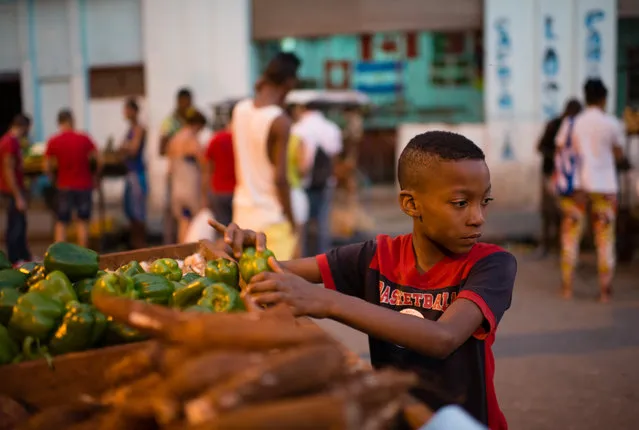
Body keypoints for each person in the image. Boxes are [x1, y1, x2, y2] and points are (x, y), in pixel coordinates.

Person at [213, 131, 517, 429]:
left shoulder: (491, 264)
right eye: (461, 203)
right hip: (393, 415)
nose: (478, 217)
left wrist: (328, 301)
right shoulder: (377, 255)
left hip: (462, 422)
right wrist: (247, 253)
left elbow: (443, 339)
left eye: (484, 201)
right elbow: (279, 272)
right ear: (411, 204)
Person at [555, 79, 626, 302]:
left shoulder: (574, 122)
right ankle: (605, 291)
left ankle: (567, 288)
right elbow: (618, 154)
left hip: (578, 188)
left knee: (570, 237)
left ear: (585, 97)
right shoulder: (612, 123)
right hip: (605, 187)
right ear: (604, 98)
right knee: (604, 239)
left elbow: (564, 149)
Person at [230, 52, 300, 261]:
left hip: (242, 216)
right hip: (272, 222)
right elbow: (280, 179)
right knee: (279, 287)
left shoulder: (240, 109)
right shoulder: (279, 120)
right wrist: (293, 222)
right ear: (289, 82)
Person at [290, 100, 342, 256]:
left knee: (302, 225)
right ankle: (323, 260)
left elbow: (301, 162)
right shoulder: (331, 128)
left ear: (303, 109)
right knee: (322, 223)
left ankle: (304, 259)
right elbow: (335, 157)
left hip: (301, 184)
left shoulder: (297, 129)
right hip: (325, 182)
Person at [45, 109, 100, 248]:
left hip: (64, 186)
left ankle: (59, 257)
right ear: (72, 121)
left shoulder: (54, 141)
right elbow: (99, 160)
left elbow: (47, 166)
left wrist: (53, 179)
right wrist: (94, 176)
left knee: (61, 222)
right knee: (82, 221)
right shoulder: (84, 138)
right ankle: (84, 256)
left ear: (59, 123)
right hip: (84, 185)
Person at [536, 99, 582, 257]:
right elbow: (540, 147)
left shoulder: (576, 128)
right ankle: (545, 245)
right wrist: (558, 160)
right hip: (550, 173)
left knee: (562, 213)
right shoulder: (554, 125)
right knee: (548, 211)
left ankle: (559, 246)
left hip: (567, 177)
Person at [166, 109, 208, 243]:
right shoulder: (191, 139)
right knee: (192, 223)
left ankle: (182, 250)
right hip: (190, 186)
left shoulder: (174, 139)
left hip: (177, 186)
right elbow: (203, 162)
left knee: (183, 221)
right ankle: (188, 252)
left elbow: (170, 168)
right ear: (197, 124)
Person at [159, 88, 193, 244]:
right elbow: (161, 148)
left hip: (187, 176)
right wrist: (179, 147)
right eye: (185, 102)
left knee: (186, 216)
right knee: (173, 213)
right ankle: (170, 246)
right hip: (175, 173)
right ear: (179, 102)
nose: (187, 105)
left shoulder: (189, 121)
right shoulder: (170, 122)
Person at [0, 114, 32, 264]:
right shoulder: (10, 142)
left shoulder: (9, 141)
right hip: (11, 191)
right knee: (15, 226)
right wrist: (18, 195)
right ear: (23, 127)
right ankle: (15, 259)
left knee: (20, 224)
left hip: (12, 190)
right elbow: (8, 170)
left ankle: (23, 257)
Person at [120, 98, 148, 249]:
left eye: (127, 109)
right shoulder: (130, 129)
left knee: (138, 213)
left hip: (137, 174)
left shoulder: (139, 128)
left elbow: (133, 149)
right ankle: (134, 244)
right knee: (130, 212)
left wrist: (124, 147)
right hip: (131, 173)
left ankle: (140, 245)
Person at [204, 111, 236, 227]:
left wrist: (205, 193)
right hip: (236, 191)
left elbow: (207, 169)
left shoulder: (215, 139)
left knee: (221, 229)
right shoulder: (239, 140)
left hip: (218, 190)